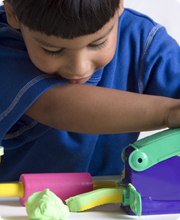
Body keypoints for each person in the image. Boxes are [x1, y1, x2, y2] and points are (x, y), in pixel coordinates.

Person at [0, 0, 180, 182]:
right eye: (52, 50)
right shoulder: (4, 46)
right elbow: (55, 106)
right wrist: (169, 113)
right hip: (17, 206)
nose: (79, 68)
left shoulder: (143, 40)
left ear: (119, 4)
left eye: (97, 43)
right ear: (13, 13)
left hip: (113, 205)